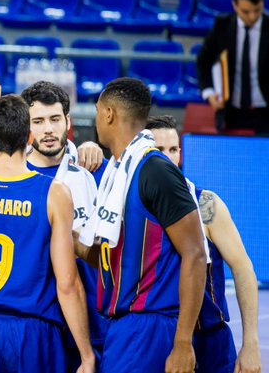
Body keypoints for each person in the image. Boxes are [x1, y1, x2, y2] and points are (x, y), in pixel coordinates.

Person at [0, 95, 95, 373]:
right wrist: (87, 354)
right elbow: (67, 284)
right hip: (33, 331)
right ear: (29, 138)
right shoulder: (55, 193)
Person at [75, 77, 207, 373]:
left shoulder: (155, 170)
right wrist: (67, 235)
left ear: (109, 114)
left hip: (150, 325)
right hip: (126, 326)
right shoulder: (119, 170)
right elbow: (111, 258)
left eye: (97, 112)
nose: (97, 120)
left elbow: (196, 253)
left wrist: (182, 343)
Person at [146, 115, 261, 373]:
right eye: (158, 150)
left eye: (173, 149)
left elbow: (243, 268)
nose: (168, 158)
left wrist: (251, 343)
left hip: (210, 343)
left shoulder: (207, 205)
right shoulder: (135, 209)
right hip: (158, 337)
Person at [20, 81, 108, 369]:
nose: (48, 129)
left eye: (55, 119)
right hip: (39, 322)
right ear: (25, 125)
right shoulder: (13, 177)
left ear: (68, 121)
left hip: (94, 319)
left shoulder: (95, 170)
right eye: (38, 121)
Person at [197, 0, 269, 134]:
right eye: (246, 12)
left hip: (265, 112)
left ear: (262, 3)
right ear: (235, 5)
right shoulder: (222, 27)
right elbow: (204, 61)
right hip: (231, 113)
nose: (252, 17)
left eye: (257, 10)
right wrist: (209, 92)